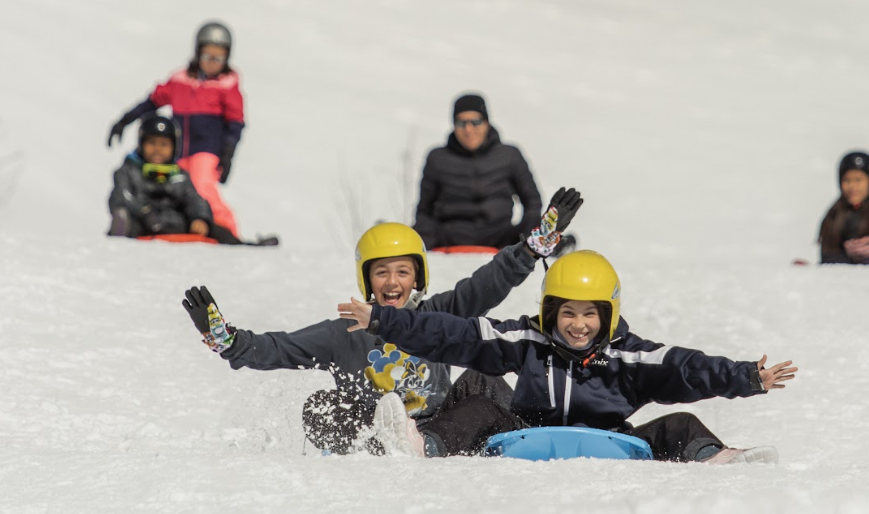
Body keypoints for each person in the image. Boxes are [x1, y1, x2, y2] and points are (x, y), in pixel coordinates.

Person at [181, 187, 584, 454]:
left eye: (403, 272)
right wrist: (229, 341)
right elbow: (281, 347)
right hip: (376, 429)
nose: (393, 282)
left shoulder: (437, 313)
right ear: (367, 279)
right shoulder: (344, 331)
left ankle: (530, 436)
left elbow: (487, 285)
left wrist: (533, 249)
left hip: (437, 424)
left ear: (418, 278)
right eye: (382, 272)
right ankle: (379, 449)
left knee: (485, 382)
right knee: (320, 406)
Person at [335, 250, 798, 463]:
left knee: (678, 425)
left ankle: (718, 458)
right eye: (568, 313)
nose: (578, 325)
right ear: (549, 312)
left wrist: (748, 376)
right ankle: (423, 446)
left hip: (615, 438)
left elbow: (688, 368)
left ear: (609, 315)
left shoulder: (627, 356)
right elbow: (455, 334)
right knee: (478, 403)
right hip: (527, 433)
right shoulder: (529, 341)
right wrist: (384, 320)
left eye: (590, 315)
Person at [108, 20, 245, 237]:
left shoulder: (226, 86)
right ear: (197, 53)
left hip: (206, 150)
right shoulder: (180, 81)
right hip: (177, 150)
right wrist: (125, 121)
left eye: (218, 58)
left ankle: (225, 232)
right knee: (181, 192)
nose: (212, 63)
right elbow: (151, 102)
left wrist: (228, 153)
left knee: (202, 187)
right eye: (207, 56)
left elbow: (235, 124)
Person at [413, 93, 543, 250]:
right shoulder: (437, 158)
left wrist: (530, 229)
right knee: (409, 236)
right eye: (461, 123)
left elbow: (533, 202)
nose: (468, 130)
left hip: (501, 235)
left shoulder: (510, 155)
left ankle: (556, 247)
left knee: (539, 235)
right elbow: (424, 209)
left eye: (475, 122)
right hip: (449, 235)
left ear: (486, 122)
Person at [108, 114, 240, 243]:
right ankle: (120, 235)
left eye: (164, 144)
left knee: (218, 231)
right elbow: (121, 196)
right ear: (141, 144)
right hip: (143, 223)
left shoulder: (179, 174)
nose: (157, 149)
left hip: (175, 223)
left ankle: (242, 247)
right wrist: (144, 213)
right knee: (128, 222)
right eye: (151, 143)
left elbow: (194, 199)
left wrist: (200, 219)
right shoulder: (129, 170)